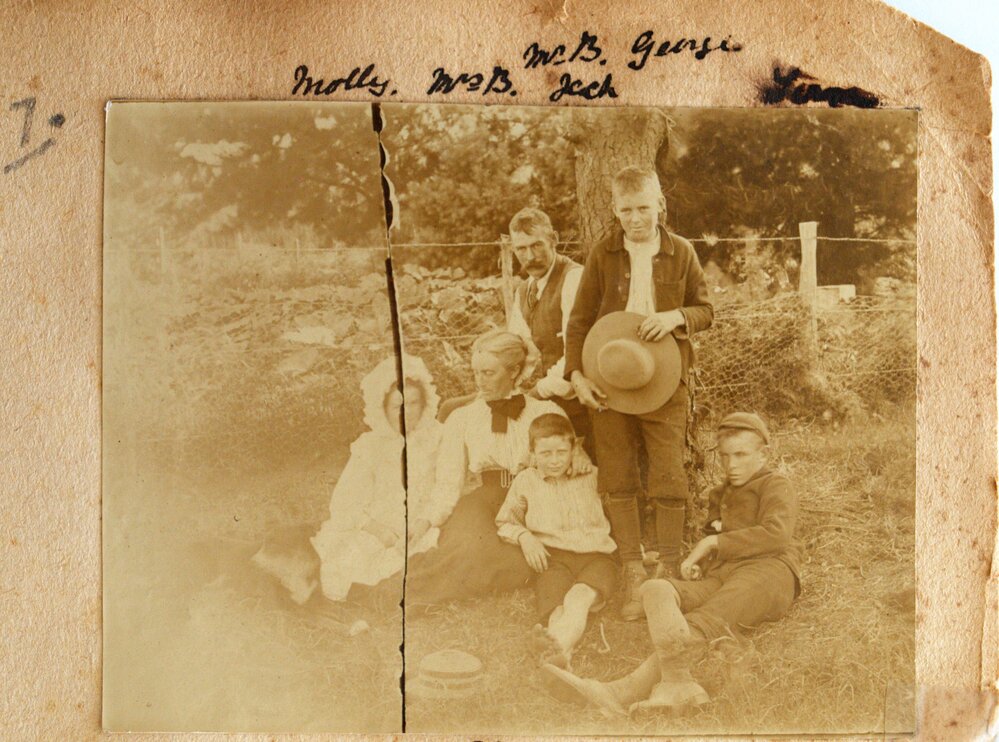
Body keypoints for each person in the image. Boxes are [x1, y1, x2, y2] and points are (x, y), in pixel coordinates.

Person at [543, 412, 801, 714]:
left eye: (742, 454)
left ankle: (621, 690)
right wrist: (700, 565)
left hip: (768, 573)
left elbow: (777, 534)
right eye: (726, 456)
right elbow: (715, 539)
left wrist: (712, 543)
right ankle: (678, 685)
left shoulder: (775, 484)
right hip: (722, 576)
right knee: (655, 589)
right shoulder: (722, 493)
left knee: (703, 620)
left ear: (763, 454)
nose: (732, 465)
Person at [564, 165, 714, 620]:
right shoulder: (603, 254)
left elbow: (706, 310)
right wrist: (576, 376)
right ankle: (631, 567)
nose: (635, 219)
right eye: (626, 210)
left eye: (644, 208)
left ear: (659, 205)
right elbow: (579, 321)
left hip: (665, 378)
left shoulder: (681, 251)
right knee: (616, 470)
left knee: (668, 469)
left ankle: (666, 567)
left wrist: (674, 318)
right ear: (614, 209)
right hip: (610, 378)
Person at [406, 330, 590, 606]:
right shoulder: (463, 418)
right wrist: (426, 521)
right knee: (468, 548)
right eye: (476, 373)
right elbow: (448, 483)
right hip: (484, 501)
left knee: (521, 563)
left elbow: (569, 469)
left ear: (514, 370)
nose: (480, 382)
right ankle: (407, 594)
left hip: (532, 501)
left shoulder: (546, 412)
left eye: (488, 373)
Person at [307, 354, 442, 603]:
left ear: (424, 404)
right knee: (355, 564)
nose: (407, 412)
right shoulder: (370, 447)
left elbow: (443, 489)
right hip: (377, 525)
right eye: (397, 406)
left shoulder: (435, 439)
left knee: (427, 561)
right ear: (383, 409)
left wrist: (423, 522)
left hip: (421, 523)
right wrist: (381, 532)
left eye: (413, 403)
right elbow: (345, 502)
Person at [495, 413, 617, 669]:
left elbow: (618, 515)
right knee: (556, 610)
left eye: (561, 452)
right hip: (554, 560)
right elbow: (505, 521)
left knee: (578, 598)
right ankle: (562, 658)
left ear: (574, 449)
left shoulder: (592, 476)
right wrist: (525, 536)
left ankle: (554, 652)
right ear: (532, 453)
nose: (554, 461)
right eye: (545, 453)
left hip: (597, 557)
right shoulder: (526, 481)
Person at [504, 208, 592, 456]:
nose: (530, 256)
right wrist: (507, 387)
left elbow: (576, 355)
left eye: (537, 245)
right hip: (550, 395)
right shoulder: (525, 290)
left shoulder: (573, 279)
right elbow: (518, 350)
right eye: (521, 249)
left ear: (554, 239)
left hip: (575, 398)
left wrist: (535, 393)